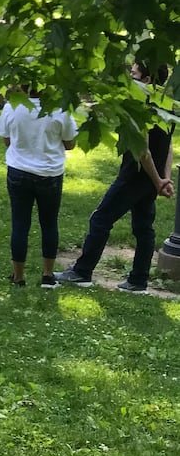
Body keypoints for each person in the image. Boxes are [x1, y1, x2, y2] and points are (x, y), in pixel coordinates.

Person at [55, 61, 175, 292]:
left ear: (147, 80)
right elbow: (168, 147)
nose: (130, 78)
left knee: (101, 219)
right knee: (143, 228)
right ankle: (138, 281)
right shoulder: (167, 107)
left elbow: (143, 151)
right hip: (151, 180)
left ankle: (82, 271)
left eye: (134, 74)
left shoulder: (139, 107)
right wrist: (163, 179)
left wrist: (160, 180)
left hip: (134, 177)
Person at [0, 88, 78, 287]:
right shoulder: (60, 108)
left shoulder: (12, 107)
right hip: (49, 173)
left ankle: (18, 276)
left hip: (18, 171)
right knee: (49, 223)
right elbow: (70, 143)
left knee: (20, 223)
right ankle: (47, 275)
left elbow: (7, 139)